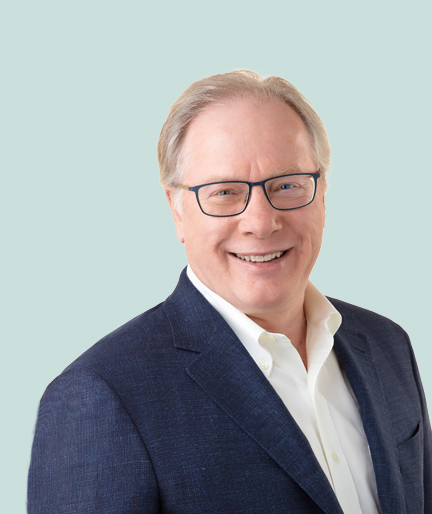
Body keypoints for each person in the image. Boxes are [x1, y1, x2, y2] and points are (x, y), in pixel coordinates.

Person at [28, 70, 431, 514]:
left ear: (321, 191)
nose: (261, 221)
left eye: (287, 185)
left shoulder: (387, 344)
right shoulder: (99, 397)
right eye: (224, 192)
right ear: (176, 209)